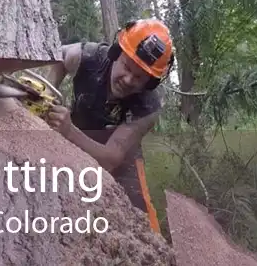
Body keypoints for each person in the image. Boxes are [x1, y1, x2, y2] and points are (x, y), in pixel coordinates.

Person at [43, 19, 175, 234]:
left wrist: (68, 131)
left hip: (120, 151)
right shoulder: (89, 56)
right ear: (115, 53)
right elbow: (60, 57)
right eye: (126, 67)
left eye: (139, 77)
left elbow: (112, 158)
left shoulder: (148, 107)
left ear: (150, 83)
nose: (128, 79)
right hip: (78, 132)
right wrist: (47, 93)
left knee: (141, 212)